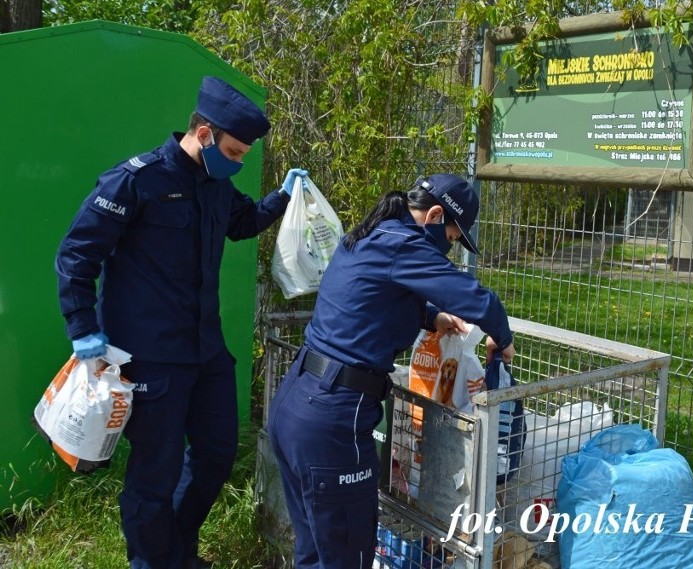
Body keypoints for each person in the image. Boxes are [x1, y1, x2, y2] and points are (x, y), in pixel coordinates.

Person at [55, 75, 307, 569]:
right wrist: (82, 325)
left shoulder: (216, 184)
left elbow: (240, 224)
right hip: (149, 356)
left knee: (215, 455)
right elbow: (77, 253)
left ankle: (176, 550)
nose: (237, 163)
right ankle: (151, 561)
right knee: (155, 473)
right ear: (205, 133)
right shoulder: (136, 180)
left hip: (206, 351)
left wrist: (280, 198)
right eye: (234, 152)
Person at [267, 173, 516, 568]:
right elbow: (479, 302)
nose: (448, 250)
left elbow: (371, 301)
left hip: (297, 403)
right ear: (435, 215)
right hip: (334, 420)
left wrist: (432, 318)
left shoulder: (375, 233)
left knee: (315, 554)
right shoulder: (405, 245)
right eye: (451, 238)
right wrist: (503, 340)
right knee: (348, 559)